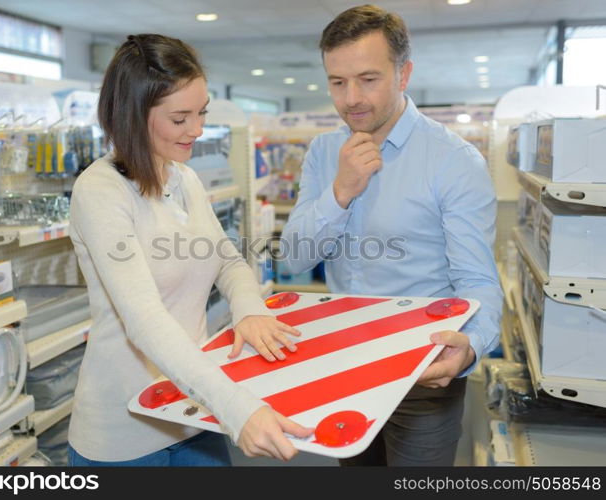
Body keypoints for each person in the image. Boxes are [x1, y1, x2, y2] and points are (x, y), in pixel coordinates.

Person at [67, 33, 312, 467]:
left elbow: (229, 260)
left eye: (200, 114)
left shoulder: (184, 179)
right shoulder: (101, 191)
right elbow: (144, 323)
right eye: (180, 119)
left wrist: (249, 308)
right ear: (132, 115)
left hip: (195, 412)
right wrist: (238, 408)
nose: (196, 130)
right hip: (124, 432)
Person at [280, 5, 503, 466]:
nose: (351, 98)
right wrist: (340, 191)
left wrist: (468, 352)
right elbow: (294, 258)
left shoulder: (453, 161)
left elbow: (478, 279)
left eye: (368, 78)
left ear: (404, 74)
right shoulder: (325, 153)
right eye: (337, 82)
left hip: (424, 367)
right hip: (348, 362)